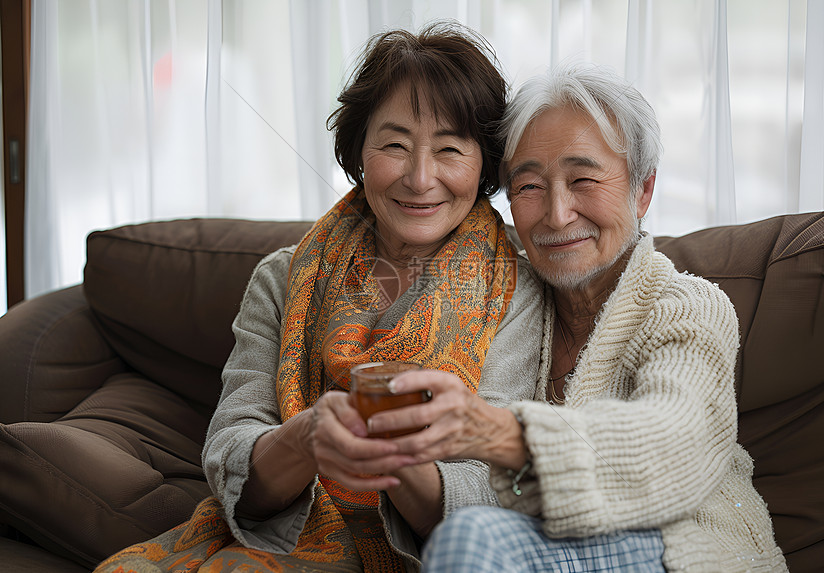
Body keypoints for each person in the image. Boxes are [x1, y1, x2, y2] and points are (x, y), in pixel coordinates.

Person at [94, 22, 543, 573]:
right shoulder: (283, 279)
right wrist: (305, 440)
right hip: (280, 542)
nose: (421, 177)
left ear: (484, 165)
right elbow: (231, 452)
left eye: (450, 149)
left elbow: (497, 488)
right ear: (359, 152)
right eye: (395, 145)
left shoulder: (516, 290)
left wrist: (384, 451)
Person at [367, 64, 788, 572]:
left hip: (682, 551)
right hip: (532, 550)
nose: (557, 214)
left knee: (474, 537)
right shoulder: (498, 299)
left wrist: (499, 433)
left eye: (583, 179)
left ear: (644, 190)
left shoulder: (687, 306)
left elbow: (674, 441)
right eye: (528, 188)